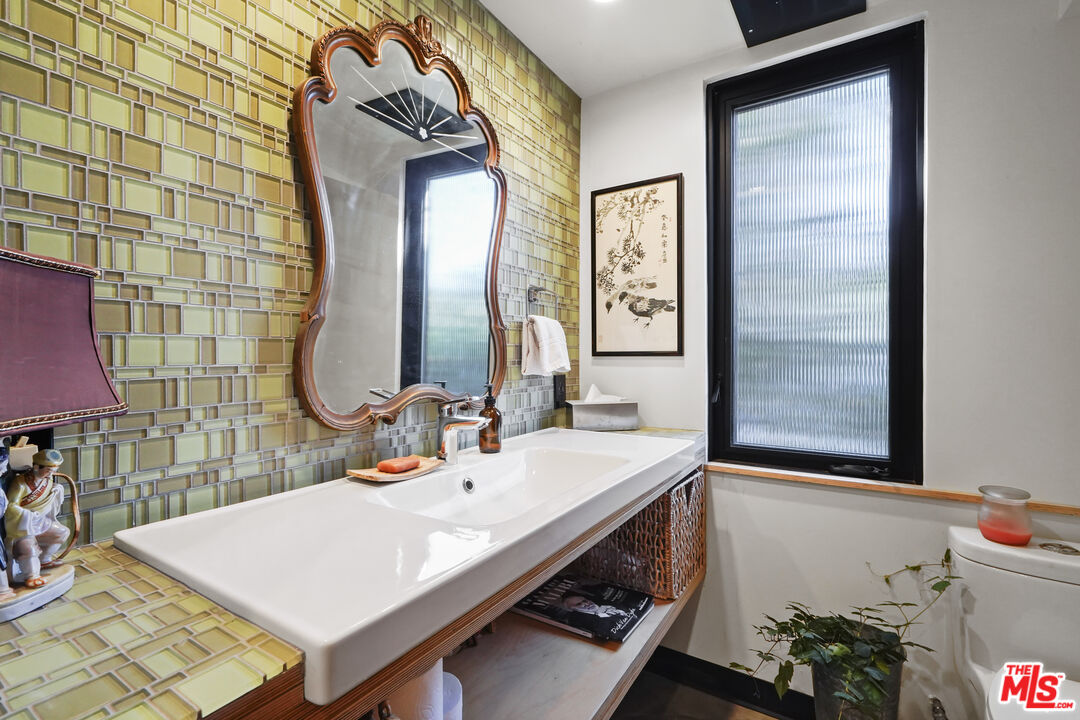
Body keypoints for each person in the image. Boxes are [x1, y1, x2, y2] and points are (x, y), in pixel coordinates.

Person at [4, 449, 69, 589]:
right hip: (21, 524)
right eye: (49, 470)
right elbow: (11, 506)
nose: (51, 473)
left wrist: (57, 490)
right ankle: (32, 575)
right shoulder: (20, 483)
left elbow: (46, 496)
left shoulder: (47, 480)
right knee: (28, 548)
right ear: (36, 467)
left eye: (54, 470)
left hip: (38, 521)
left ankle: (44, 559)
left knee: (62, 532)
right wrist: (28, 515)